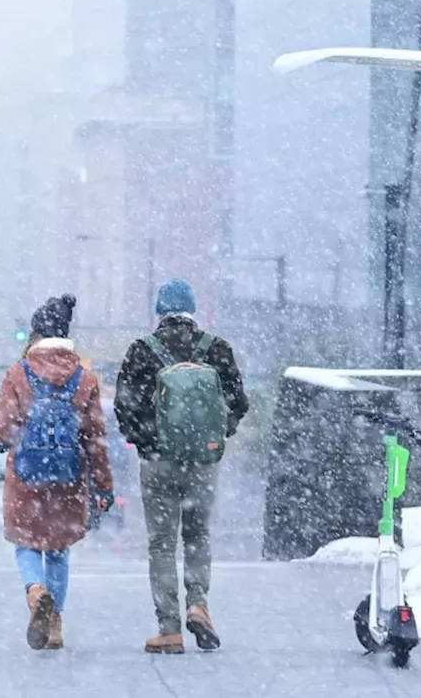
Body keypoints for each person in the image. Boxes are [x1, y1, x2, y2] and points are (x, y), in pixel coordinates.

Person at [114, 278, 249, 654]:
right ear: (192, 309)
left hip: (158, 463)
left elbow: (124, 408)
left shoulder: (142, 350)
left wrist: (147, 443)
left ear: (159, 311)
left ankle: (169, 629)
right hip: (203, 462)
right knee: (197, 536)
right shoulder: (217, 349)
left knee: (161, 543)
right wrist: (215, 438)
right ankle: (199, 604)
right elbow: (239, 404)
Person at [0, 293, 114, 651]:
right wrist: (103, 486)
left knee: (26, 544)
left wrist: (13, 441)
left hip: (27, 480)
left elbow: (3, 429)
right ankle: (56, 624)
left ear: (36, 333)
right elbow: (95, 439)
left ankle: (35, 592)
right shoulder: (85, 379)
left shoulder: (18, 373)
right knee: (59, 551)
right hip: (69, 481)